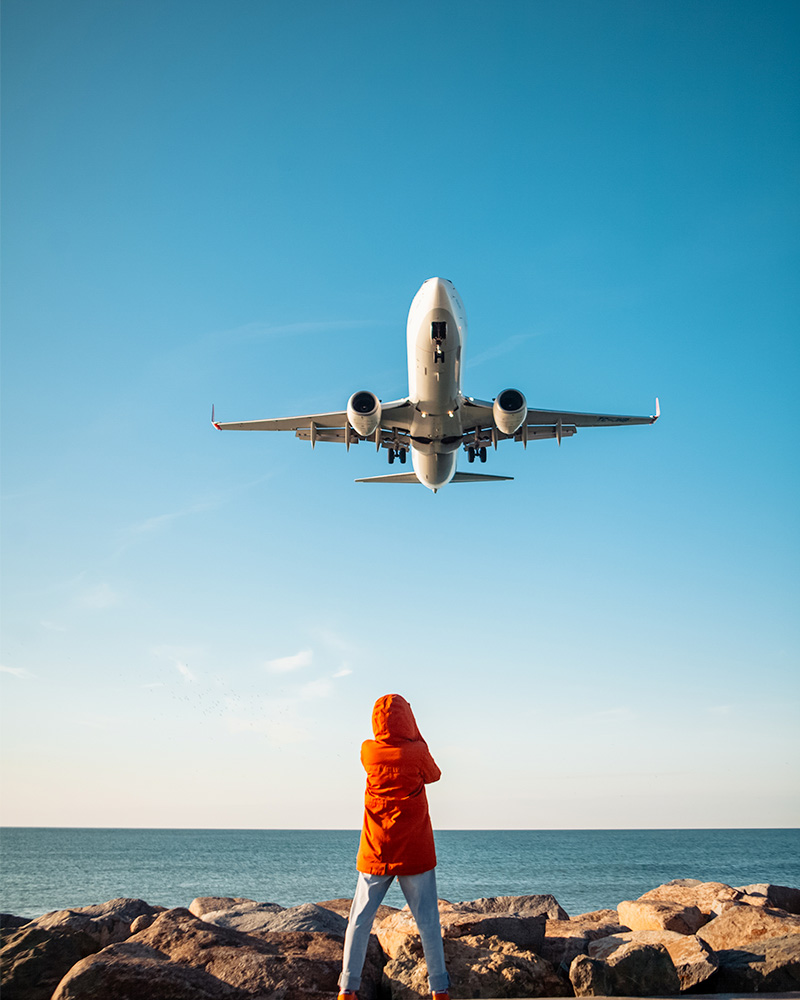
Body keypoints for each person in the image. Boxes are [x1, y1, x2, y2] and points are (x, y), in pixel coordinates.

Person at [338, 693, 449, 1000]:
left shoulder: (368, 751)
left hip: (377, 849)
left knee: (359, 920)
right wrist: (416, 735)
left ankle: (347, 988)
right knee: (428, 922)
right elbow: (435, 775)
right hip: (414, 851)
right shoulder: (417, 752)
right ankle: (439, 989)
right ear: (408, 720)